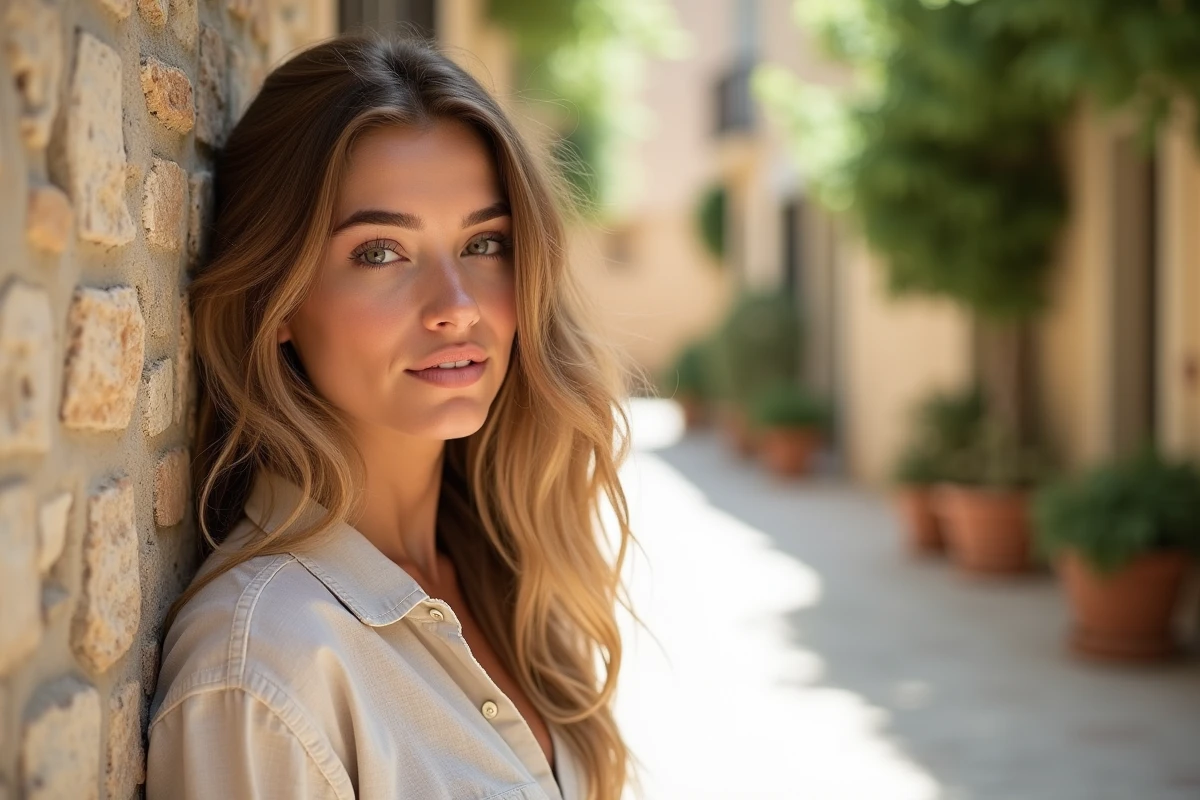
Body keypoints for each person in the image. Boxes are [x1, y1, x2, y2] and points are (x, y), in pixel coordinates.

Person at [145, 31, 636, 800]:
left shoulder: (503, 571)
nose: (457, 306)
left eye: (484, 243)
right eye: (380, 252)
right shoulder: (264, 673)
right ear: (276, 300)